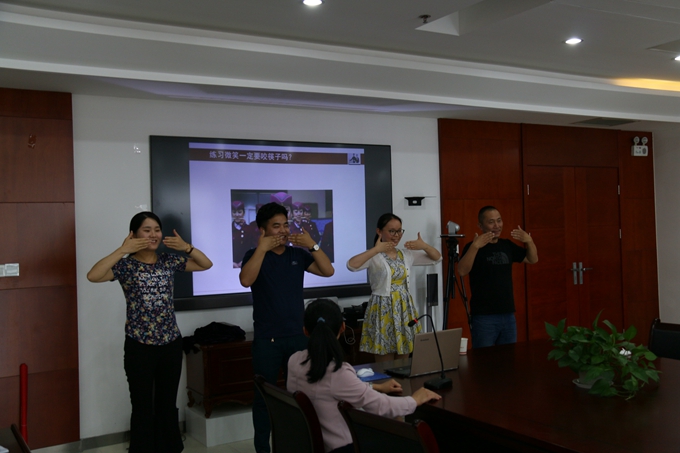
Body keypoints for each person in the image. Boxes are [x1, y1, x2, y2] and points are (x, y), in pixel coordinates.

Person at [86, 211, 213, 453]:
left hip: (170, 343)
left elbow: (206, 264)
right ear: (134, 234)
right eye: (147, 230)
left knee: (166, 403)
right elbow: (93, 275)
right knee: (142, 405)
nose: (153, 234)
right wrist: (122, 250)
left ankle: (169, 448)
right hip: (139, 345)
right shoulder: (125, 265)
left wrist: (187, 247)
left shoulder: (168, 260)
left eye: (157, 229)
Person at [239, 202, 335, 453]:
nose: (283, 230)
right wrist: (262, 248)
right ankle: (263, 449)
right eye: (276, 226)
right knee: (263, 399)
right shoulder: (253, 255)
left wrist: (311, 244)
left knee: (302, 396)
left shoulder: (297, 255)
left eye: (285, 224)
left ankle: (300, 446)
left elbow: (328, 270)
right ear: (263, 230)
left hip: (297, 337)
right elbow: (246, 280)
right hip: (267, 340)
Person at [287, 299, 441, 453]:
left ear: (305, 331)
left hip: (311, 445)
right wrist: (415, 400)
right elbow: (381, 406)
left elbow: (332, 388)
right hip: (345, 448)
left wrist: (375, 386)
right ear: (343, 327)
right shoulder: (338, 372)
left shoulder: (294, 361)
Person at [347, 213, 442, 362]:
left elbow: (437, 258)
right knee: (385, 362)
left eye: (399, 231)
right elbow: (351, 265)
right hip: (382, 309)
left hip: (404, 308)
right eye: (392, 231)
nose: (396, 235)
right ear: (379, 231)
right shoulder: (374, 256)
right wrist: (376, 249)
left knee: (404, 360)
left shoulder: (406, 254)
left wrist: (424, 246)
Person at [457, 206, 538, 348]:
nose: (497, 225)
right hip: (484, 316)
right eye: (491, 222)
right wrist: (475, 246)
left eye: (499, 221)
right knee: (484, 359)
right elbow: (462, 271)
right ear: (480, 226)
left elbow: (532, 259)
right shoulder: (473, 246)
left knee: (508, 358)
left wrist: (529, 241)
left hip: (508, 314)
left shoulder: (507, 245)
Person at [231, 200, 255, 268]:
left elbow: (254, 248)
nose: (237, 215)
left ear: (243, 213)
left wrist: (245, 260)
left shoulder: (250, 229)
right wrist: (230, 262)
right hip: (231, 265)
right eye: (234, 212)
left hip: (246, 264)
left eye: (239, 212)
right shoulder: (228, 228)